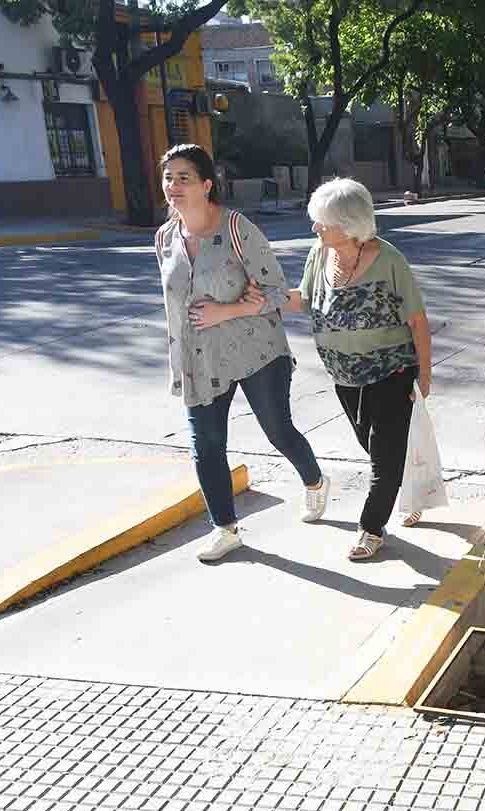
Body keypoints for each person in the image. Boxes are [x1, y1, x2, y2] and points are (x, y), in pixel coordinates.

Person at [154, 144, 329, 563]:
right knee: (206, 444)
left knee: (278, 431)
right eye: (168, 178)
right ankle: (225, 529)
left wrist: (226, 311)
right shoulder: (164, 238)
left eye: (184, 178)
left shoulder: (237, 228)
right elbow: (174, 305)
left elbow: (279, 293)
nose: (174, 186)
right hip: (201, 357)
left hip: (257, 351)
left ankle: (315, 481)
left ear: (206, 185)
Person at [248, 178, 432, 561]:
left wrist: (424, 376)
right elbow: (303, 299)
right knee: (373, 446)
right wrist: (266, 299)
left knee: (383, 457)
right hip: (344, 376)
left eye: (323, 222)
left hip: (391, 371)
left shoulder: (389, 260)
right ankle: (411, 489)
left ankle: (371, 528)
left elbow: (417, 320)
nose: (315, 227)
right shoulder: (320, 254)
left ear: (349, 225)